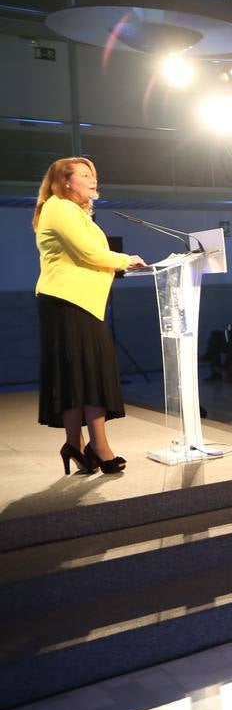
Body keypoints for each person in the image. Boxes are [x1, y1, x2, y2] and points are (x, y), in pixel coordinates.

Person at [33, 157, 146, 475]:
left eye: (94, 174)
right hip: (70, 302)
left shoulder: (72, 210)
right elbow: (87, 252)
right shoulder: (60, 206)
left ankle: (75, 444)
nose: (94, 179)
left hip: (73, 302)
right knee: (90, 375)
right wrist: (127, 259)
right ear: (65, 181)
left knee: (76, 376)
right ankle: (99, 446)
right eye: (85, 174)